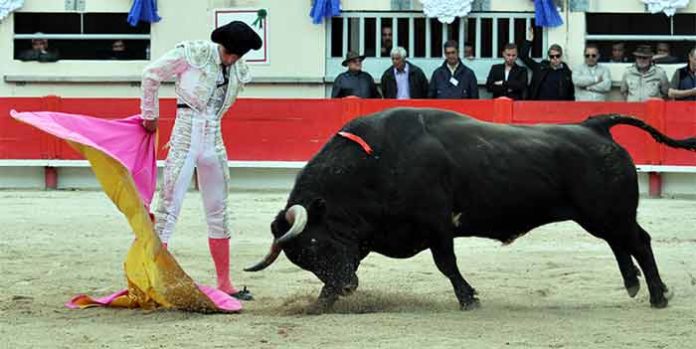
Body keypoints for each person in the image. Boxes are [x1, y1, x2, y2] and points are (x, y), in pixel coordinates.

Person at [139, 21, 262, 301]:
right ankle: (154, 281)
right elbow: (150, 74)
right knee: (168, 209)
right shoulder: (192, 53)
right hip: (184, 135)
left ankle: (225, 283)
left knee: (219, 211)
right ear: (222, 45)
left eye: (237, 55)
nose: (231, 59)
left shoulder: (238, 68)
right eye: (229, 52)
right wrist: (150, 114)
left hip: (213, 139)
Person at [520, 27, 574, 101]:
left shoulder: (567, 73)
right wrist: (529, 41)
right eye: (552, 56)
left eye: (557, 56)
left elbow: (570, 94)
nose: (555, 58)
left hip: (559, 108)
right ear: (549, 57)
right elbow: (523, 56)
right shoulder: (540, 68)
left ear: (561, 56)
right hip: (540, 106)